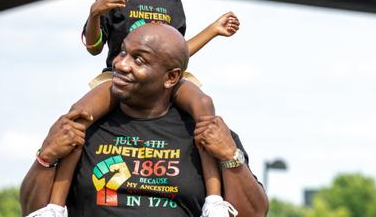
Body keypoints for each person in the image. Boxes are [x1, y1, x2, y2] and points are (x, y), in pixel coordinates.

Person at [38, 0, 240, 216]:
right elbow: (93, 47)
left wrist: (213, 31)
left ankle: (214, 200)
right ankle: (55, 207)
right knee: (78, 115)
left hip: (167, 81)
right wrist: (95, 13)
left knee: (204, 105)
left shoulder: (172, 2)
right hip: (118, 77)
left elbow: (178, 55)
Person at [20, 24, 269, 217]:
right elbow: (33, 210)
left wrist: (229, 157)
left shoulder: (207, 131)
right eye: (123, 52)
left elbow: (253, 213)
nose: (120, 64)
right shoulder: (83, 125)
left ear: (171, 77)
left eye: (138, 60)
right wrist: (46, 157)